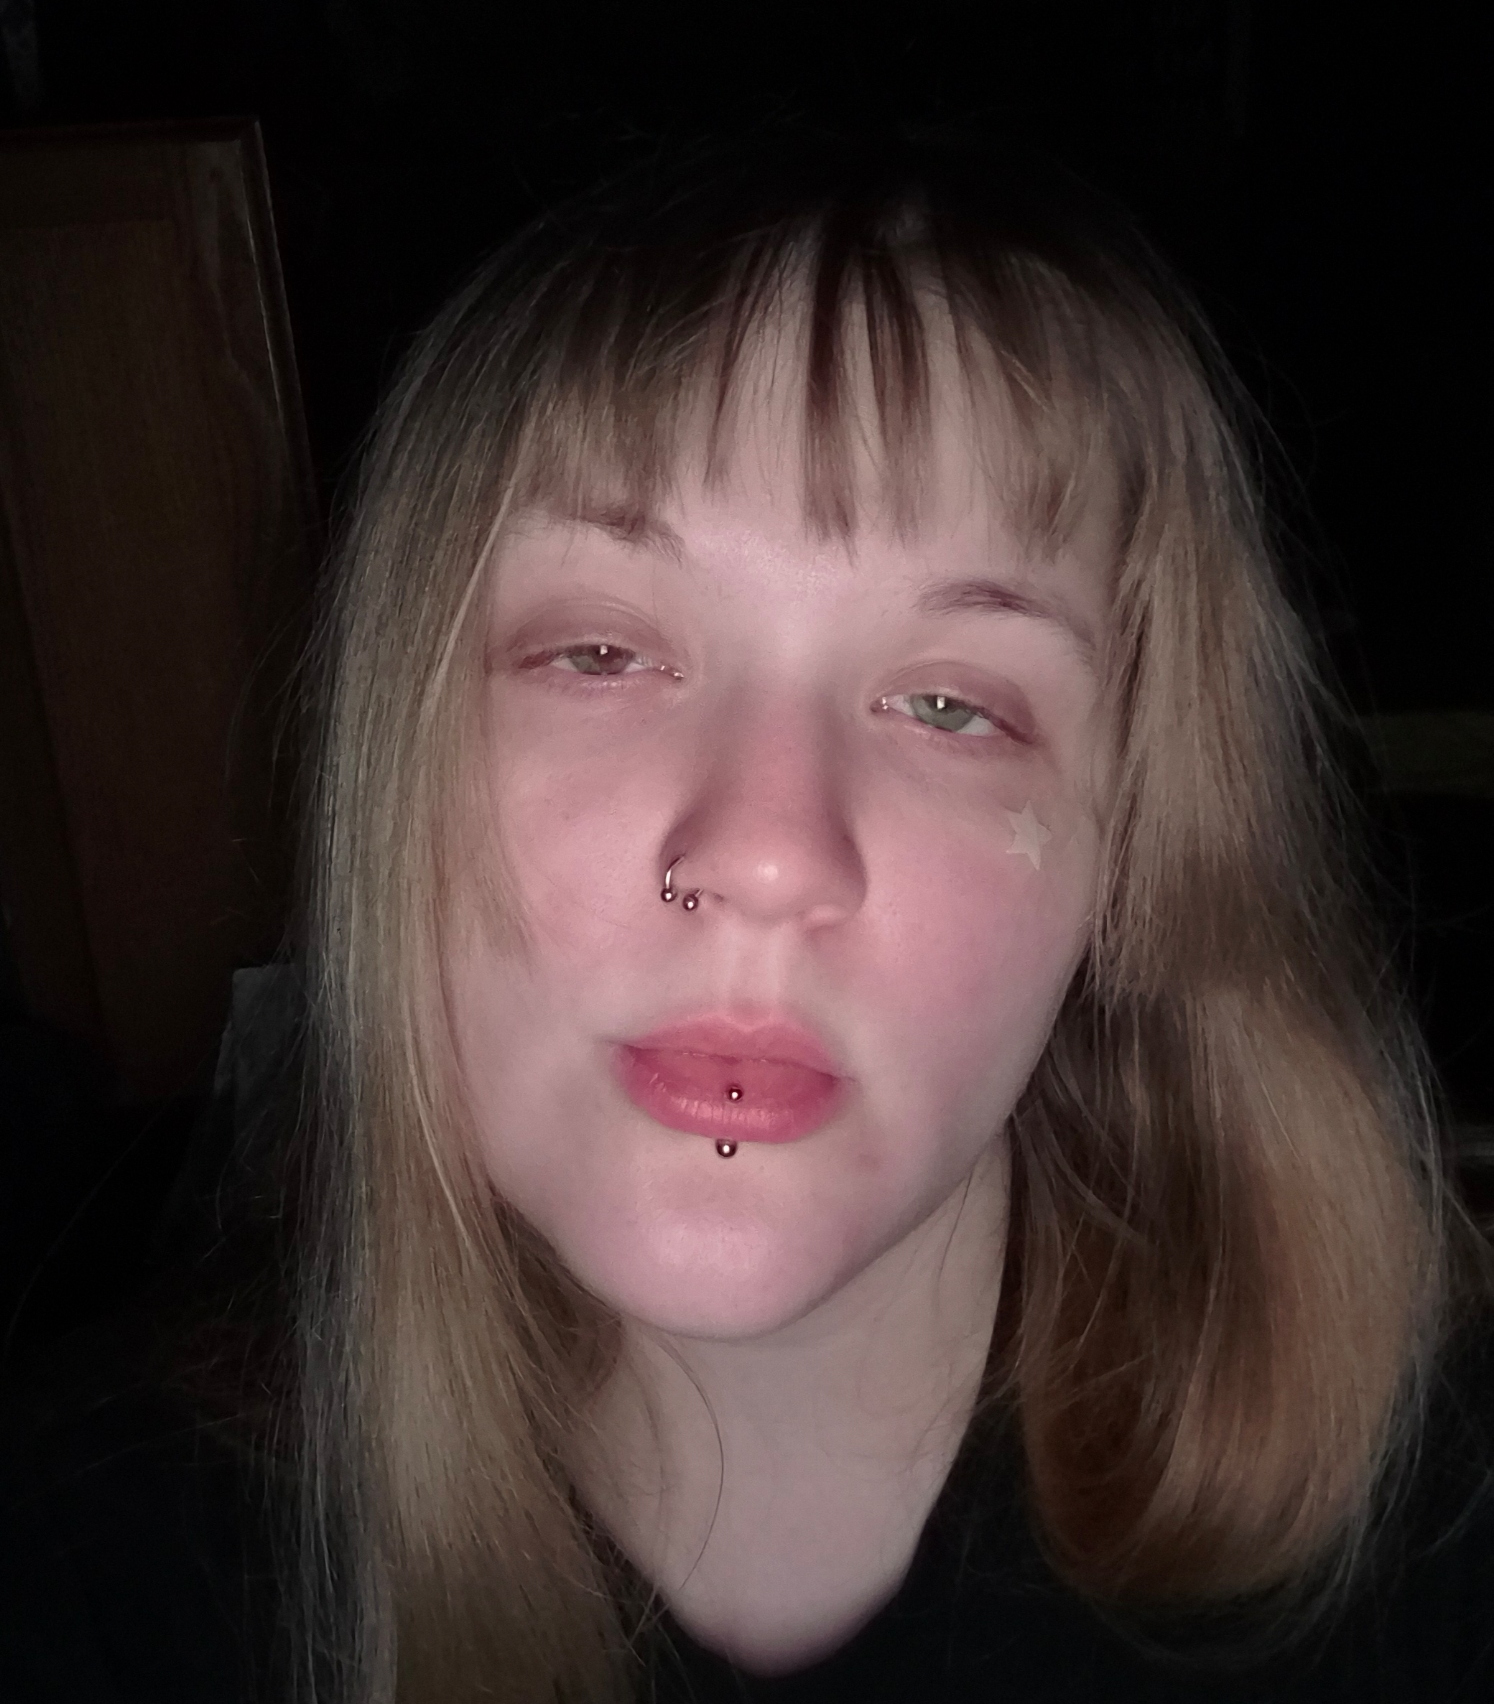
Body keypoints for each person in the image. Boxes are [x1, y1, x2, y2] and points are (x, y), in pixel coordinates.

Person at [2, 132, 1491, 1702]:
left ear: (1132, 860)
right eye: (600, 656)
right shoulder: (86, 1577)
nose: (766, 858)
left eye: (949, 704)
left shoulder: (1444, 1527)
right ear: (395, 769)